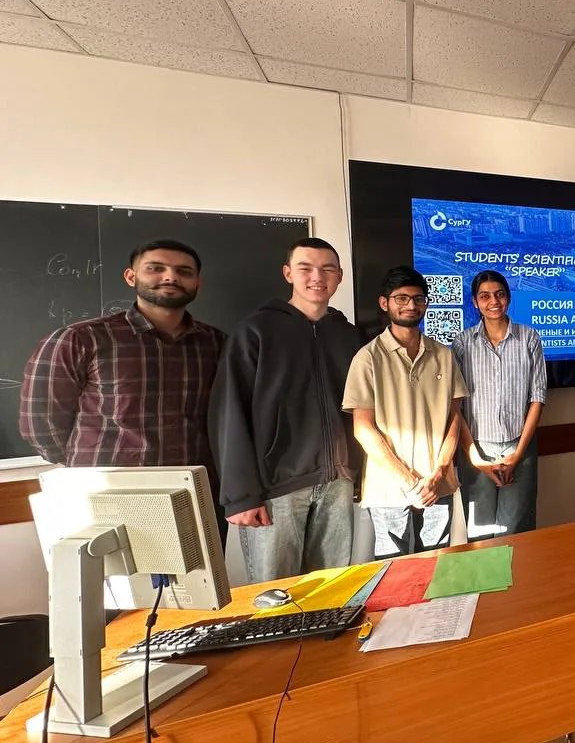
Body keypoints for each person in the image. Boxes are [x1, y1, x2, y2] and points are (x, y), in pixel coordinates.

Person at [20, 239, 226, 536]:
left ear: (198, 283)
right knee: (113, 568)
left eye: (184, 271)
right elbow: (40, 422)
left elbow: (223, 418)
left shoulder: (216, 344)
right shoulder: (81, 339)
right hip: (107, 496)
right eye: (155, 268)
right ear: (131, 277)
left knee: (202, 568)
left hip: (193, 493)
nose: (170, 277)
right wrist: (89, 466)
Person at [209, 237, 364, 582]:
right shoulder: (256, 331)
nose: (317, 277)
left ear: (339, 276)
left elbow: (360, 411)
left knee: (332, 589)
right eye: (305, 268)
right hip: (276, 489)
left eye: (327, 269)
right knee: (275, 594)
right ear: (288, 273)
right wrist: (240, 497)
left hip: (337, 484)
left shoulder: (350, 336)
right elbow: (229, 413)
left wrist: (358, 472)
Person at [343, 267, 468, 557]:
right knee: (394, 569)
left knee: (438, 564)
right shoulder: (367, 358)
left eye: (418, 298)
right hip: (389, 487)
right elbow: (363, 428)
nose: (411, 305)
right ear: (384, 303)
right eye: (401, 298)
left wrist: (438, 473)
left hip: (438, 485)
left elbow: (454, 418)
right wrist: (410, 482)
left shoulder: (443, 355)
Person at [452, 270, 547, 538]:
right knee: (480, 534)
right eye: (485, 296)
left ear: (508, 298)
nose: (493, 301)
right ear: (475, 302)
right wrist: (475, 457)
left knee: (517, 533)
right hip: (476, 450)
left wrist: (518, 454)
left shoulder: (529, 338)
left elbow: (538, 397)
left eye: (499, 294)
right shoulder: (462, 343)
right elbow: (455, 407)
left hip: (520, 447)